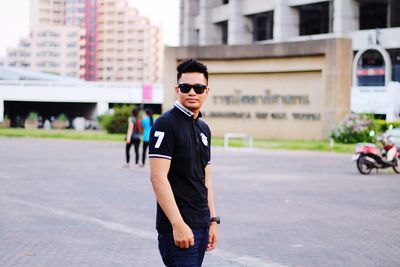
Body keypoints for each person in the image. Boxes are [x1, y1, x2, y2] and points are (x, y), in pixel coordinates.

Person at [149, 58, 219, 267]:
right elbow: (157, 178)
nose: (192, 92)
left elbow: (206, 178)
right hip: (178, 226)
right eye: (186, 87)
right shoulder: (165, 124)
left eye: (198, 88)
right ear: (177, 89)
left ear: (207, 91)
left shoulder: (203, 129)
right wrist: (177, 224)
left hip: (202, 224)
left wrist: (213, 220)